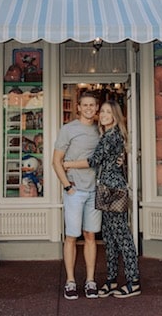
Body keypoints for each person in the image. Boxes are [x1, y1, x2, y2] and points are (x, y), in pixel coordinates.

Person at [63, 100, 141, 298]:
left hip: (114, 190)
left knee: (122, 236)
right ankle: (112, 280)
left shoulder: (111, 136)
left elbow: (93, 161)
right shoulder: (105, 134)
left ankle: (134, 281)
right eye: (103, 111)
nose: (105, 114)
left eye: (109, 112)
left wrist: (68, 164)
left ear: (115, 115)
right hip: (104, 189)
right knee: (109, 237)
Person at [52, 92, 101, 300]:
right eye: (85, 105)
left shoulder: (101, 129)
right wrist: (67, 187)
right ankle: (70, 281)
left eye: (92, 105)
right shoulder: (68, 129)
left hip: (94, 190)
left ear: (97, 108)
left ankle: (90, 280)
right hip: (75, 191)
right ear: (78, 107)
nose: (89, 108)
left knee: (90, 236)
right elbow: (56, 161)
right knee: (72, 236)